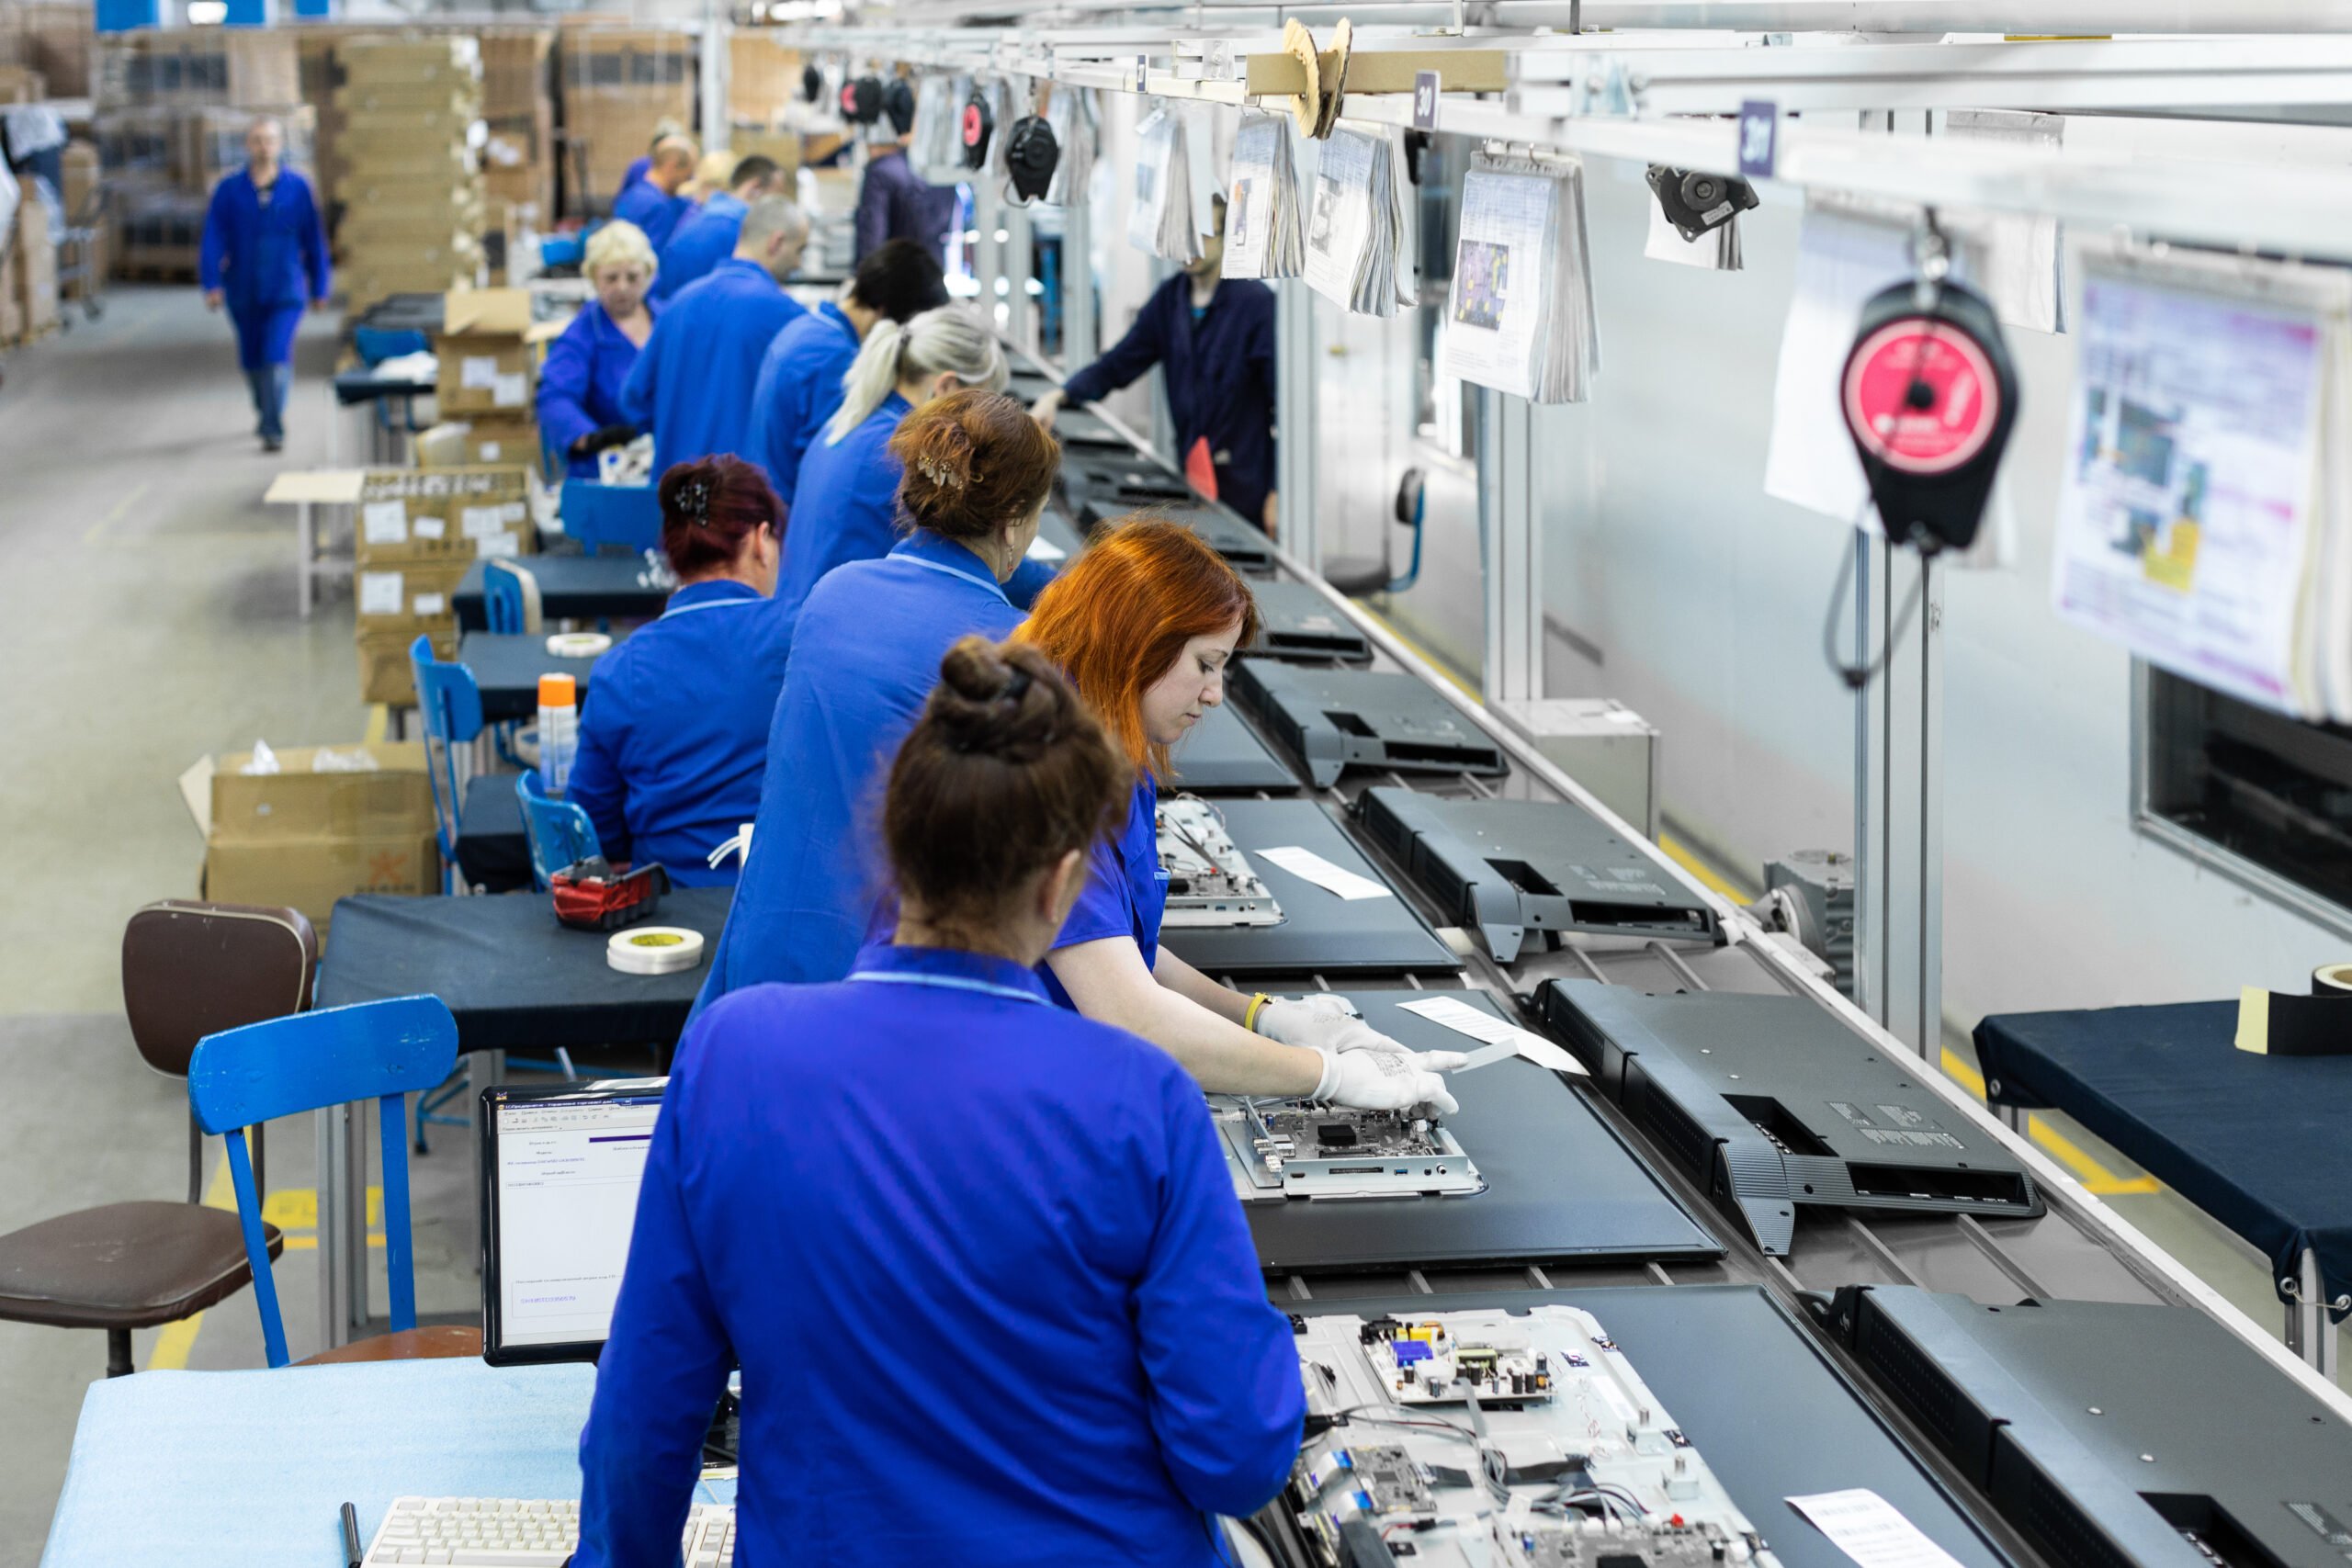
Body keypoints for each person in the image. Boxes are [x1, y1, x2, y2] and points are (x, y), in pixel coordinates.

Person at [575, 637, 1305, 1568]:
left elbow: (643, 1418)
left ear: (894, 843)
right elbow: (1236, 1458)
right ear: (1063, 885)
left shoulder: (733, 1057)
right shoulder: (1141, 1099)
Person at [1020, 520, 1463, 1108]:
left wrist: (1264, 1018)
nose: (1215, 693)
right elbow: (1133, 1017)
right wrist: (1322, 1074)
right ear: (1138, 641)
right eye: (1205, 663)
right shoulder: (1050, 773)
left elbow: (1124, 952)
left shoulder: (1112, 744)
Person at [696, 390, 1061, 1003]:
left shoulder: (835, 595)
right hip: (880, 990)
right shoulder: (1012, 651)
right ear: (1014, 518)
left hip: (766, 964)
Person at [566, 457, 788, 888]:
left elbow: (595, 828)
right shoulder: (805, 640)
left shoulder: (619, 671)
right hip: (778, 914)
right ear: (761, 541)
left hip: (666, 921)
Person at [1034, 197, 1279, 533]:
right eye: (1185, 233)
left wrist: (1277, 492)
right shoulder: (1170, 300)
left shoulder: (1256, 305)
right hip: (1191, 474)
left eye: (1205, 234)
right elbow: (1119, 363)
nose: (1191, 246)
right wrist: (1059, 396)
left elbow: (1282, 407)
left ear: (1228, 238)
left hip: (1246, 482)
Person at [773, 304, 1005, 624]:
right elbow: (970, 556)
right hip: (839, 630)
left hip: (805, 624)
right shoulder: (906, 455)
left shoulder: (852, 424)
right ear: (947, 387)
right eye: (983, 404)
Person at [747, 238, 948, 510]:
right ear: (887, 314)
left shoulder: (808, 329)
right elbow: (836, 467)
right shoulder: (837, 360)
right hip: (785, 511)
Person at [620, 195, 810, 481]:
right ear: (776, 242)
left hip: (676, 497)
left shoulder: (678, 304)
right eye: (800, 250)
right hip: (740, 498)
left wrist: (678, 434)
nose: (798, 263)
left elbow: (633, 399)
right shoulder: (787, 316)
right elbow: (802, 421)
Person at [198, 117, 329, 454]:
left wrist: (320, 287)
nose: (263, 146)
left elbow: (314, 239)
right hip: (244, 288)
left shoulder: (297, 188)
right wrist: (211, 282)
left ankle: (273, 425)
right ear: (247, 145)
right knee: (252, 358)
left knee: (276, 353)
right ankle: (264, 409)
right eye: (257, 140)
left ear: (280, 145)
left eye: (269, 140)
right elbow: (213, 237)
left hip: (286, 289)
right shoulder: (229, 191)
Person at [536, 220, 658, 480]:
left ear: (648, 274)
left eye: (632, 277)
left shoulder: (668, 322)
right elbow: (555, 397)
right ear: (593, 278)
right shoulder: (582, 335)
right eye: (611, 278)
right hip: (608, 471)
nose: (622, 287)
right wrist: (592, 439)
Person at [650, 153, 785, 302]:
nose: (774, 209)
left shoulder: (701, 219)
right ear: (755, 188)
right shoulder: (736, 231)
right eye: (774, 199)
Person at [854, 82, 956, 264]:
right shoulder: (946, 171)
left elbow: (872, 239)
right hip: (932, 278)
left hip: (893, 282)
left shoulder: (881, 174)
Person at [612, 134, 698, 253]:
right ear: (671, 166)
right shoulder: (659, 208)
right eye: (688, 174)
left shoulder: (631, 195)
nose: (689, 180)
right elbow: (655, 260)